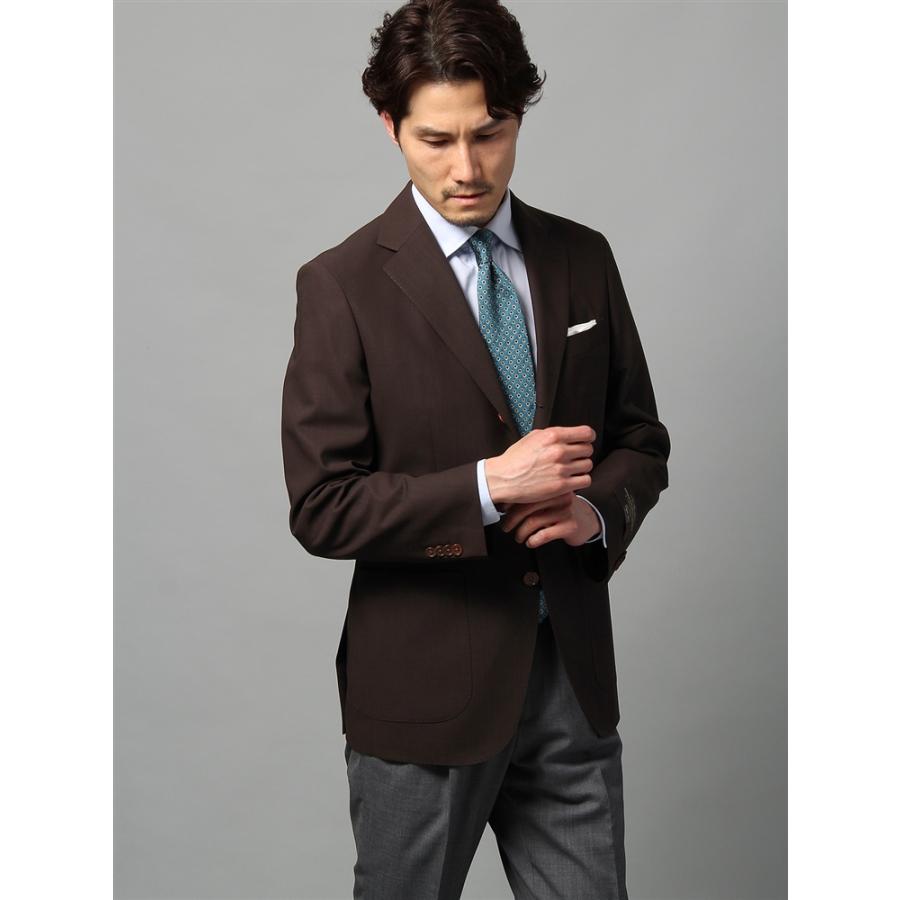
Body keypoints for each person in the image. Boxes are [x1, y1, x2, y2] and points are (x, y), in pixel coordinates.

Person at [280, 1, 670, 896]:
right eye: (436, 139)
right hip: (422, 703)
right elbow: (322, 506)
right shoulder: (341, 286)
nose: (467, 168)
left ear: (518, 118)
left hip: (570, 683)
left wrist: (593, 512)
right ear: (390, 127)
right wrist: (492, 485)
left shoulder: (582, 258)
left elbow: (641, 439)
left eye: (489, 134)